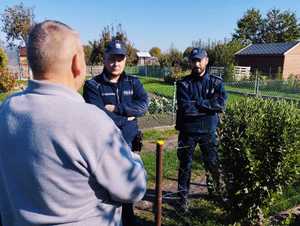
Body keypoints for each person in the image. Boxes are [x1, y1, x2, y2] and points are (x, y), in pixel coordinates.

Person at [0, 20, 147, 226]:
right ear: (77, 63)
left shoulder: (6, 109)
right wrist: (135, 158)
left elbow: (143, 104)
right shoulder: (90, 121)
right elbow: (134, 188)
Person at [83, 39, 149, 226]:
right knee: (103, 189)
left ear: (125, 60)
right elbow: (97, 115)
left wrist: (117, 109)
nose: (116, 63)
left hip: (128, 145)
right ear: (104, 59)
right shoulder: (93, 86)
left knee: (126, 185)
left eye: (120, 59)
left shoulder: (133, 82)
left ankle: (128, 219)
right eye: (112, 58)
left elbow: (143, 106)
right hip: (104, 145)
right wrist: (125, 119)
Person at [175, 48, 227, 211]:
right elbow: (185, 108)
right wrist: (207, 105)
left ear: (206, 60)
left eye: (199, 60)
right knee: (185, 166)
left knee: (213, 164)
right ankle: (182, 198)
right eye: (193, 60)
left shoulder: (216, 82)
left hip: (208, 131)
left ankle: (218, 193)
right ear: (190, 62)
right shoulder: (183, 83)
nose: (196, 64)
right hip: (187, 132)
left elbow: (220, 104)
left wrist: (198, 103)